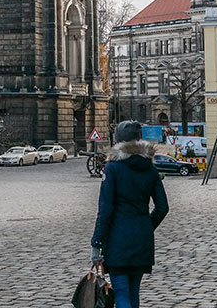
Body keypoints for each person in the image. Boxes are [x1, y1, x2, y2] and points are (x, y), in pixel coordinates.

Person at [90, 120, 169, 308]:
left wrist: (96, 243)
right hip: (142, 238)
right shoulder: (150, 168)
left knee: (121, 294)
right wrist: (146, 225)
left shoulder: (113, 168)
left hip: (118, 239)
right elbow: (163, 207)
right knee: (133, 294)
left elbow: (106, 210)